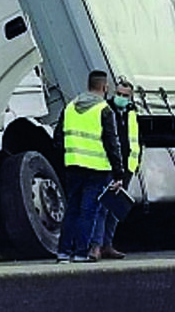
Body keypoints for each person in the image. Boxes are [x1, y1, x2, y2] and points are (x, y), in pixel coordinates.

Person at [54, 70, 125, 263]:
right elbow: (112, 143)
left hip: (73, 166)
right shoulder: (104, 110)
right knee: (88, 212)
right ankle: (80, 253)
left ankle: (63, 252)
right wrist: (119, 174)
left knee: (72, 210)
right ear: (104, 87)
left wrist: (69, 157)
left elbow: (58, 139)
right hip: (97, 169)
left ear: (88, 85)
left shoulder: (69, 107)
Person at [89, 78, 141, 260]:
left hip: (127, 167)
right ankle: (95, 246)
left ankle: (107, 245)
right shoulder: (106, 110)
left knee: (116, 208)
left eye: (125, 95)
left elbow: (134, 140)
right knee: (103, 206)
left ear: (131, 97)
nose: (121, 97)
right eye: (118, 94)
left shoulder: (132, 112)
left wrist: (134, 165)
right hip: (108, 165)